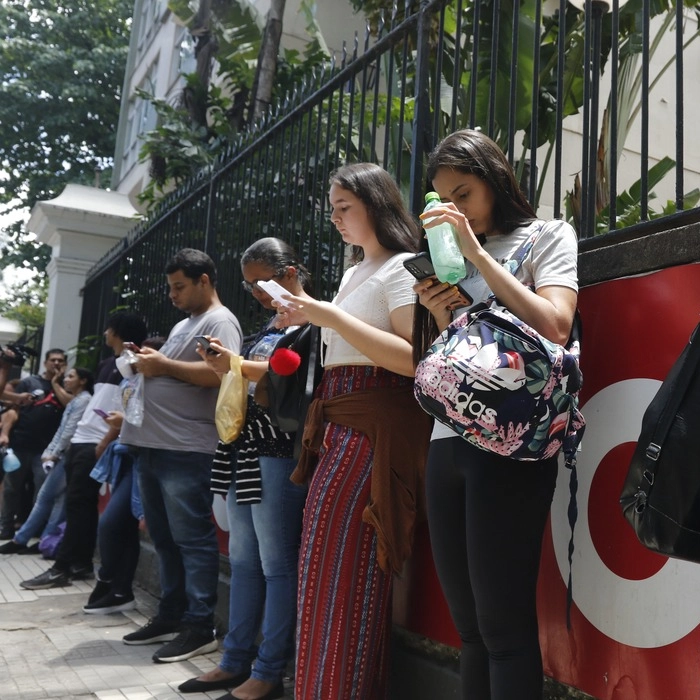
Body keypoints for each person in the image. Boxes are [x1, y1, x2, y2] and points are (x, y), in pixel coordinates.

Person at [411, 129, 579, 700]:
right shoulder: (448, 257)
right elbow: (461, 359)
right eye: (442, 200)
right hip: (447, 438)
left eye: (465, 194)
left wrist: (479, 255)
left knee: (504, 629)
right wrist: (441, 314)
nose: (454, 210)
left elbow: (556, 326)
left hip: (512, 442)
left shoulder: (546, 236)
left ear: (496, 181)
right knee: (472, 632)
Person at [271, 163, 432, 700]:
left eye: (345, 207)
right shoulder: (353, 273)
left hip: (372, 432)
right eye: (333, 208)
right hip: (338, 425)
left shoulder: (404, 268)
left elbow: (416, 360)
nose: (335, 218)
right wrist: (310, 316)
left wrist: (329, 318)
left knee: (344, 569)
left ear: (376, 205)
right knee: (323, 568)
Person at [178, 238, 312, 700]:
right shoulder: (269, 324)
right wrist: (226, 367)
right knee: (242, 562)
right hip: (243, 448)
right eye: (249, 283)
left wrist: (236, 365)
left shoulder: (314, 320)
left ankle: (268, 669)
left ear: (290, 272)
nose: (256, 291)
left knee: (276, 565)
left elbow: (287, 385)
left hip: (278, 451)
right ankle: (235, 660)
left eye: (263, 281)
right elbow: (252, 383)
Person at [119, 248, 242, 664]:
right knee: (167, 539)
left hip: (187, 448)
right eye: (170, 287)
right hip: (156, 446)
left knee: (192, 540)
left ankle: (199, 625)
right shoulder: (184, 323)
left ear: (204, 280)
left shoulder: (219, 321)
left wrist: (163, 366)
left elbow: (221, 374)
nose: (172, 295)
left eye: (180, 286)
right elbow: (169, 368)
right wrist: (149, 364)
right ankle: (171, 615)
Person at [20, 312, 149, 589]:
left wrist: (104, 442)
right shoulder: (106, 365)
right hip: (80, 442)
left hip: (96, 444)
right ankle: (79, 563)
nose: (104, 334)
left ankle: (62, 567)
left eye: (108, 329)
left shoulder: (134, 365)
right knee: (81, 507)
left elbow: (127, 408)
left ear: (116, 331)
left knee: (78, 506)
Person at [83, 336, 165, 615]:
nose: (136, 357)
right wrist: (108, 437)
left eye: (142, 353)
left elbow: (152, 421)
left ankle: (110, 581)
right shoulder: (132, 380)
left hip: (149, 458)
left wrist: (122, 423)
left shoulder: (166, 383)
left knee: (113, 524)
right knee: (121, 527)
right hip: (127, 457)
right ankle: (120, 589)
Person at [0, 367, 95, 555]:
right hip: (61, 454)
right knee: (54, 498)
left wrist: (54, 452)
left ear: (83, 381)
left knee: (47, 497)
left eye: (70, 377)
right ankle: (42, 540)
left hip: (68, 455)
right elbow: (62, 430)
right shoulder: (75, 400)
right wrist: (50, 451)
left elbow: (69, 431)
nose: (65, 380)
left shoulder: (84, 400)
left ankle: (29, 539)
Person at [0, 348, 67, 539]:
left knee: (42, 490)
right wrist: (5, 433)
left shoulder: (66, 385)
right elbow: (12, 410)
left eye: (60, 361)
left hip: (46, 450)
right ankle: (6, 527)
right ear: (45, 362)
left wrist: (56, 384)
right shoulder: (29, 383)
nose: (56, 364)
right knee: (12, 488)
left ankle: (34, 528)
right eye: (53, 360)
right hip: (20, 443)